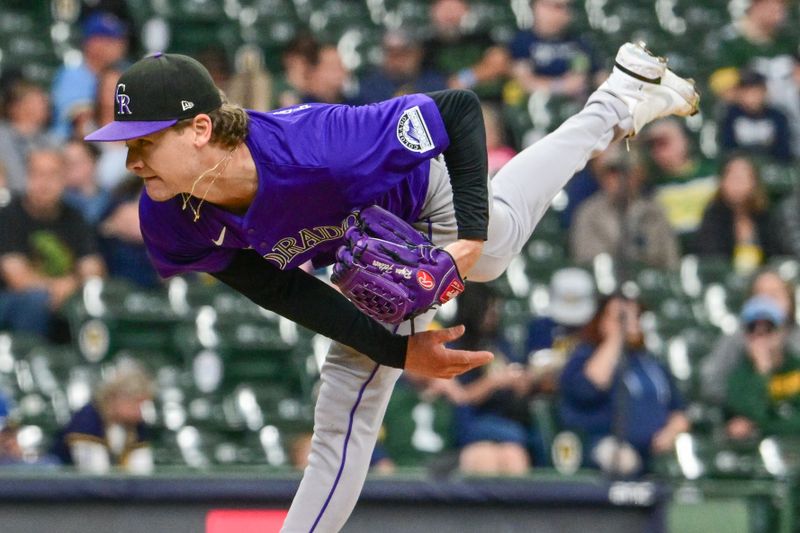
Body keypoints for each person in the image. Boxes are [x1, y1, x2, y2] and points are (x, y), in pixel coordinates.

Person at [83, 42, 698, 531]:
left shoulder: (322, 147)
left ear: (197, 130)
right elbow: (280, 290)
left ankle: (612, 102)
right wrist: (399, 352)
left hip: (422, 195)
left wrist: (469, 240)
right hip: (362, 252)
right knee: (346, 404)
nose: (132, 160)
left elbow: (457, 111)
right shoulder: (168, 212)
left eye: (144, 141)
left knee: (496, 249)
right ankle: (617, 100)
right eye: (125, 144)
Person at [559, 296, 690, 476]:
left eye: (635, 316)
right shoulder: (585, 355)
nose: (632, 322)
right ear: (602, 321)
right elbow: (588, 388)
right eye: (622, 317)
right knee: (621, 460)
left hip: (655, 450)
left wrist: (670, 433)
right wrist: (615, 339)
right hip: (603, 444)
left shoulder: (650, 362)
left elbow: (679, 412)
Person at [0, 147, 106, 338]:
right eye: (37, 174)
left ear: (64, 179)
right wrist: (57, 287)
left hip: (65, 294)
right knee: (36, 300)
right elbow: (17, 278)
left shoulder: (75, 217)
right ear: (26, 177)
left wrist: (72, 285)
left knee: (96, 297)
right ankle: (31, 359)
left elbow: (93, 269)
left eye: (52, 175)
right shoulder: (8, 215)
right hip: (12, 300)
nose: (44, 183)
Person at [700, 268, 800, 405]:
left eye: (774, 295)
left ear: (790, 301)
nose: (767, 301)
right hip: (745, 415)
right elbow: (711, 385)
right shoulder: (736, 340)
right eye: (760, 294)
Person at [570, 145, 680, 270]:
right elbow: (588, 262)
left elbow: (671, 261)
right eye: (613, 172)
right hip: (607, 282)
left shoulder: (655, 211)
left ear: (639, 174)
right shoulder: (589, 213)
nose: (620, 179)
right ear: (601, 176)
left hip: (652, 282)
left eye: (626, 171)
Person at [51, 360, 155, 473]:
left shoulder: (136, 426)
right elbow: (96, 475)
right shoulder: (87, 419)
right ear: (116, 398)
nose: (142, 411)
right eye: (137, 403)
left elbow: (143, 474)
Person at [724, 295, 800, 440]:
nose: (761, 335)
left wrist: (764, 425)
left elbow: (758, 423)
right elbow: (749, 413)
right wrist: (762, 372)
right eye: (752, 328)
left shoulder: (797, 367)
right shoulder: (739, 376)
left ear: (782, 331)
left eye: (768, 328)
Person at [50, 11, 129, 141]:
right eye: (112, 40)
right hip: (68, 145)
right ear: (93, 43)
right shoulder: (73, 74)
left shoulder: (117, 73)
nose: (120, 45)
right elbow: (82, 123)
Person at [693, 154, 777, 273]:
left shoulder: (764, 215)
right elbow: (711, 259)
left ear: (754, 182)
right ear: (721, 182)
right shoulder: (712, 217)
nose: (737, 183)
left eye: (743, 177)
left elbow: (775, 255)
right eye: (733, 177)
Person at [508, 0, 603, 105]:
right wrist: (561, 86)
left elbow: (601, 77)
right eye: (555, 6)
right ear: (535, 7)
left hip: (578, 107)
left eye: (566, 7)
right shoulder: (522, 41)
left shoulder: (580, 41)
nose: (561, 13)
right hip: (537, 107)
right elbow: (525, 82)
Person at [644, 118, 718, 243]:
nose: (658, 151)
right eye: (652, 145)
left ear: (685, 140)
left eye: (664, 142)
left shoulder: (712, 174)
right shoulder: (650, 186)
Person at [718, 69, 792, 163]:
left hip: (772, 167)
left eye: (756, 92)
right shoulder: (730, 116)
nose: (752, 97)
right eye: (747, 92)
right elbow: (727, 146)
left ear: (764, 92)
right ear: (740, 94)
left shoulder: (778, 117)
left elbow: (783, 150)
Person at [356, 30, 447, 104]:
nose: (396, 60)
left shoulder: (435, 82)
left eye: (403, 54)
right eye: (390, 54)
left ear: (418, 54)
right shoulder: (371, 85)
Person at [0, 79, 53, 193]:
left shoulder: (49, 139)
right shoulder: (2, 137)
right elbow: (15, 178)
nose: (45, 105)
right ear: (16, 107)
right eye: (38, 101)